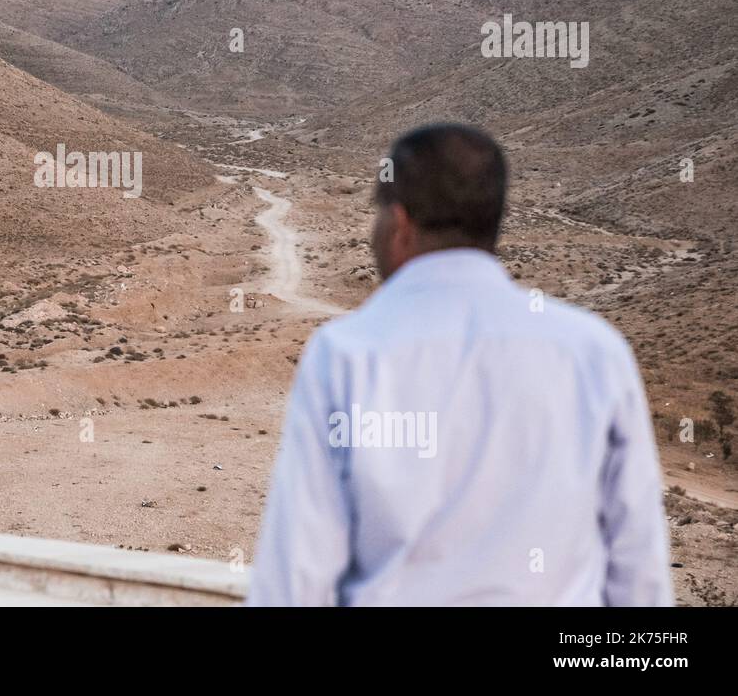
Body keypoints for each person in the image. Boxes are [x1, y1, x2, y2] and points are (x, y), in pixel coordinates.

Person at [247, 123, 672, 606]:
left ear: (400, 224)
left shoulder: (346, 354)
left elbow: (297, 576)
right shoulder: (595, 351)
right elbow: (639, 569)